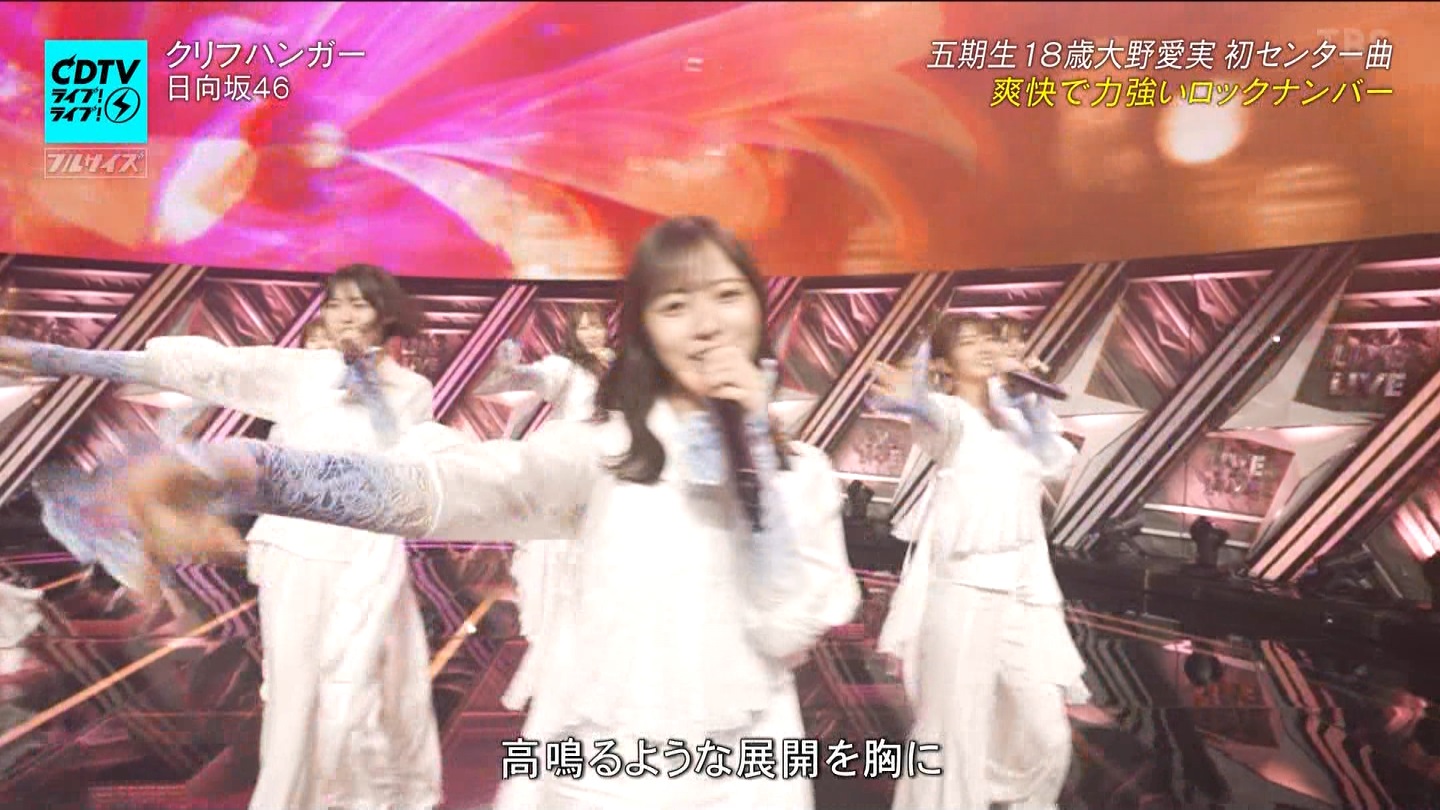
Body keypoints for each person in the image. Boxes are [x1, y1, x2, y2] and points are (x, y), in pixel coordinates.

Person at [92, 216, 861, 810]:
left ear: (758, 309)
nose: (707, 324)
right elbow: (459, 486)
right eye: (675, 304)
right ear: (646, 333)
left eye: (727, 296)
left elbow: (789, 624)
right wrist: (246, 470)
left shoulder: (805, 476)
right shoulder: (605, 452)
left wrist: (753, 461)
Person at [1, 264, 445, 810]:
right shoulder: (301, 371)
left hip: (370, 558)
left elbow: (400, 459)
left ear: (386, 313)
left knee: (379, 686)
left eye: (358, 304)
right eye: (334, 304)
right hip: (295, 553)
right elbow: (201, 369)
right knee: (294, 694)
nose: (344, 316)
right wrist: (48, 356)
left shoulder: (414, 390)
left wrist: (369, 388)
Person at [869, 314, 1088, 810]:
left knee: (1048, 732)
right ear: (945, 365)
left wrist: (1026, 394)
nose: (985, 348)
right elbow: (927, 411)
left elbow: (1055, 461)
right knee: (953, 727)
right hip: (964, 588)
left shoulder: (1016, 416)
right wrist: (913, 391)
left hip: (1026, 593)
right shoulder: (948, 415)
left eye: (988, 339)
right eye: (968, 343)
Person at [471, 303, 614, 712]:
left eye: (597, 326)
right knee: (565, 560)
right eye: (583, 327)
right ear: (572, 334)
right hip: (573, 466)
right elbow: (529, 378)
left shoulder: (618, 365)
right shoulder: (565, 367)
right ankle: (563, 658)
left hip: (610, 463)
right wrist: (510, 367)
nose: (592, 333)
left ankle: (602, 657)